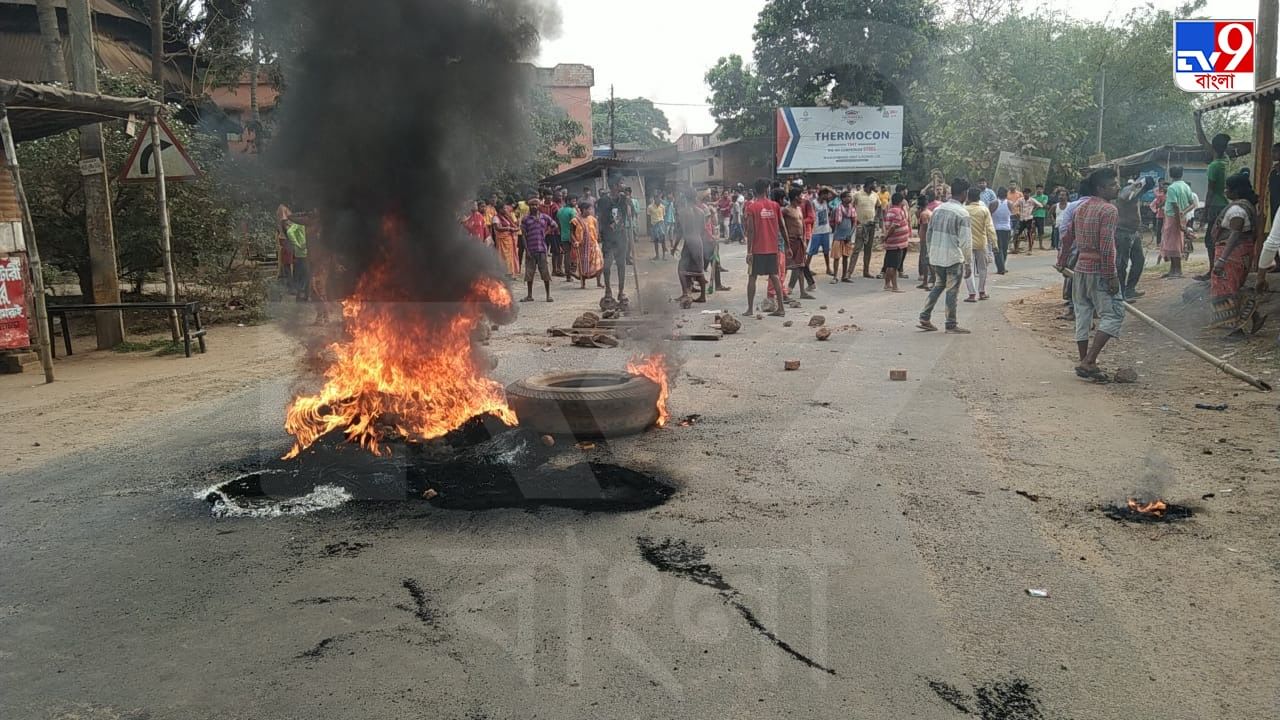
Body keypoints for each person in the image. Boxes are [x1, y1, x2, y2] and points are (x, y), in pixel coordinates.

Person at [1063, 168, 1123, 382]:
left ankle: (1085, 361)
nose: (1117, 187)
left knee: (1083, 314)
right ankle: (1089, 360)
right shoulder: (1109, 210)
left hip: (1080, 268)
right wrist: (1111, 275)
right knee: (1114, 314)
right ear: (1101, 188)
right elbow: (1107, 247)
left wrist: (1062, 262)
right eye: (1113, 184)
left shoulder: (1082, 208)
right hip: (1098, 269)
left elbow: (1067, 236)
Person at [1210, 172, 1264, 334]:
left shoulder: (1237, 210)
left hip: (1232, 254)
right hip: (1242, 254)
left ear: (1236, 191)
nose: (1225, 191)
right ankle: (1255, 317)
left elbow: (1234, 235)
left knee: (1226, 290)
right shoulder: (1247, 205)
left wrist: (1222, 260)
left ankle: (1235, 330)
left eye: (1227, 189)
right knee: (1235, 287)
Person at [918, 178, 974, 334]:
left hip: (937, 255)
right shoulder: (963, 213)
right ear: (964, 193)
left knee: (939, 285)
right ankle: (950, 323)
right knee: (952, 290)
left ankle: (924, 316)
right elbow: (966, 242)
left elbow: (929, 233)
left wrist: (930, 253)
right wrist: (968, 263)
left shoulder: (937, 209)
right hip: (953, 257)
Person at [744, 177, 787, 317]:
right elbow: (782, 226)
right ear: (766, 189)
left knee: (752, 277)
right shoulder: (775, 206)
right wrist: (788, 245)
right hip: (772, 248)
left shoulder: (752, 207)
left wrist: (749, 251)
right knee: (774, 276)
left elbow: (751, 231)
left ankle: (750, 309)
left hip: (757, 249)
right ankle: (781, 308)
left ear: (755, 190)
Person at [1114, 176, 1153, 301]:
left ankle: (1129, 289)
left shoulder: (1137, 193)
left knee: (1139, 261)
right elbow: (1124, 197)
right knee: (1122, 264)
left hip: (1133, 232)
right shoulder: (1129, 190)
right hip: (1123, 232)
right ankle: (1121, 293)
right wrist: (1137, 185)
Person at [1199, 133, 1231, 279]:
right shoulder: (1226, 161)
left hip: (1215, 206)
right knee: (1221, 238)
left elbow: (1210, 191)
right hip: (1226, 205)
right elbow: (1206, 144)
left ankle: (1212, 270)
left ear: (1213, 148)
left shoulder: (1214, 166)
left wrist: (1205, 212)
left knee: (1210, 239)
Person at [597, 183, 632, 303]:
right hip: (608, 237)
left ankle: (621, 292)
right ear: (615, 185)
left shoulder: (624, 199)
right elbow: (600, 218)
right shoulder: (603, 201)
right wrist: (599, 233)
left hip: (621, 236)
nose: (623, 185)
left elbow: (629, 216)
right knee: (607, 265)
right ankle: (608, 291)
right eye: (621, 182)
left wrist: (628, 205)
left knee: (621, 265)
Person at [964, 187, 997, 302]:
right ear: (979, 198)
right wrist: (994, 243)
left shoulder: (964, 210)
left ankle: (972, 294)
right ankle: (982, 292)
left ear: (968, 197)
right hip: (981, 243)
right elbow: (990, 227)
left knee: (968, 268)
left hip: (966, 244)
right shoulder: (984, 210)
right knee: (983, 268)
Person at [520, 197, 555, 303]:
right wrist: (526, 250)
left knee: (545, 273)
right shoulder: (525, 219)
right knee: (529, 273)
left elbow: (554, 225)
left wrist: (546, 232)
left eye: (535, 205)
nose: (534, 207)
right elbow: (523, 236)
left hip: (542, 249)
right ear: (529, 206)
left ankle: (548, 295)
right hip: (531, 249)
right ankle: (529, 295)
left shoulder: (545, 217)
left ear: (539, 206)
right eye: (531, 205)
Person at [1160, 166, 1194, 279]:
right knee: (1175, 242)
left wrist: (1178, 220)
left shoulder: (1171, 188)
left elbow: (1174, 206)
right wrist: (1183, 212)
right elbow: (1193, 204)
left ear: (1170, 174)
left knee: (1173, 244)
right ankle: (1173, 269)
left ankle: (1177, 270)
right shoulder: (1185, 186)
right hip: (1180, 216)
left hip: (1173, 217)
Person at [784, 187, 817, 299]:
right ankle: (782, 291)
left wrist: (803, 240)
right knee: (784, 267)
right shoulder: (786, 210)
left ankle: (802, 292)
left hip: (799, 241)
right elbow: (780, 226)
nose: (802, 198)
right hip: (790, 241)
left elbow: (802, 225)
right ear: (795, 197)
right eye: (800, 196)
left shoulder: (798, 209)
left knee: (800, 267)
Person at [881, 191, 911, 292]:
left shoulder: (890, 210)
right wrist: (886, 237)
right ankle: (894, 286)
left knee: (889, 264)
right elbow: (894, 226)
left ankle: (887, 284)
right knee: (893, 266)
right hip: (896, 243)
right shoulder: (898, 211)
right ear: (900, 201)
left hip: (892, 242)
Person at [852, 178, 881, 279]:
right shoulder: (857, 194)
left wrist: (877, 218)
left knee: (868, 249)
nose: (876, 185)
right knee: (857, 249)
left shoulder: (875, 195)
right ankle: (849, 272)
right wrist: (854, 219)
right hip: (861, 225)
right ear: (869, 184)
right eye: (874, 184)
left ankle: (866, 271)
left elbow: (879, 206)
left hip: (871, 225)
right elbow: (851, 206)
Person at [572, 201, 604, 290]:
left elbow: (596, 229)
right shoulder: (576, 220)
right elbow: (571, 233)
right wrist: (575, 241)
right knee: (583, 265)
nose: (591, 211)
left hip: (593, 244)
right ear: (583, 209)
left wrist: (598, 237)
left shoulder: (592, 219)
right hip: (582, 246)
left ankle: (599, 282)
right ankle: (583, 283)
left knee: (599, 263)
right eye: (589, 209)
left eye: (591, 209)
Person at [807, 187, 834, 278]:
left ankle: (828, 268)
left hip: (826, 230)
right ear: (821, 194)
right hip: (816, 230)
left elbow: (835, 195)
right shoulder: (814, 203)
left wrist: (827, 188)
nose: (827, 196)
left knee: (826, 251)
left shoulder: (826, 202)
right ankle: (806, 268)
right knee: (811, 251)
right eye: (825, 194)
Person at [831, 191, 856, 283]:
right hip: (838, 236)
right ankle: (835, 276)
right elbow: (832, 222)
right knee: (837, 257)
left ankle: (844, 276)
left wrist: (850, 234)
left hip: (847, 236)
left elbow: (854, 223)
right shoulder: (836, 209)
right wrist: (835, 231)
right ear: (843, 198)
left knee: (846, 257)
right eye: (848, 196)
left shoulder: (852, 209)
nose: (850, 198)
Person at [916, 191, 939, 289]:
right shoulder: (929, 212)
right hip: (927, 239)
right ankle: (925, 281)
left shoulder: (924, 214)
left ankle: (934, 281)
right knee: (926, 262)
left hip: (925, 240)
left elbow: (925, 227)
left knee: (927, 262)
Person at [492, 200, 521, 279]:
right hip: (502, 241)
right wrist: (508, 228)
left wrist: (515, 227)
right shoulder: (496, 217)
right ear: (500, 209)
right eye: (504, 208)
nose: (506, 210)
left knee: (510, 257)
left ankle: (511, 272)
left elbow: (513, 225)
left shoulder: (507, 217)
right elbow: (497, 228)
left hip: (509, 240)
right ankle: (504, 273)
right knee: (503, 257)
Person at [286, 215, 310, 302]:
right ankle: (301, 294)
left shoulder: (309, 225)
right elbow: (289, 232)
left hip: (308, 253)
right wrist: (296, 243)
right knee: (304, 274)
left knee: (306, 274)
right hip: (301, 253)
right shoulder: (299, 224)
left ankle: (304, 295)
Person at [555, 195, 578, 281]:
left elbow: (558, 224)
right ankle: (574, 273)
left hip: (563, 235)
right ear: (568, 201)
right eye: (573, 201)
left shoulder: (560, 211)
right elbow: (575, 224)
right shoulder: (572, 211)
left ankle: (568, 276)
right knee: (574, 256)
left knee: (566, 255)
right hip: (572, 236)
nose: (575, 203)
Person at [991, 187, 1013, 274]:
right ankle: (1003, 266)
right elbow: (1011, 214)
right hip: (1006, 228)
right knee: (1004, 248)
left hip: (996, 228)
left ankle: (1001, 268)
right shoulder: (1010, 203)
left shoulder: (993, 203)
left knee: (997, 248)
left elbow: (989, 214)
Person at [1032, 184, 1050, 249]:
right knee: (1032, 230)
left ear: (1042, 190)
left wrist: (1036, 207)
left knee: (1040, 231)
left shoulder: (1045, 197)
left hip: (1041, 216)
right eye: (1038, 189)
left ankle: (1040, 245)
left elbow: (1044, 204)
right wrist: (1040, 205)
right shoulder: (1032, 197)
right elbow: (1032, 206)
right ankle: (1031, 245)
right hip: (1033, 216)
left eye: (1040, 189)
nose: (1039, 190)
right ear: (1036, 190)